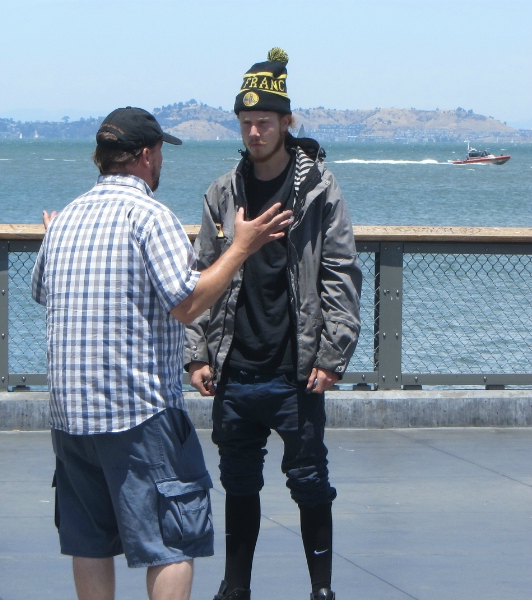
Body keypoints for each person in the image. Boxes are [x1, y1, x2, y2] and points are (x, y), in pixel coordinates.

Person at [31, 106, 293, 600]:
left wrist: (56, 238)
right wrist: (242, 247)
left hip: (69, 418)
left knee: (88, 542)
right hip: (137, 412)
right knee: (172, 539)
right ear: (148, 156)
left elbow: (44, 290)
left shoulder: (65, 220)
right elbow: (188, 301)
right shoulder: (150, 215)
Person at [185, 49, 362, 600]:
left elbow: (341, 272)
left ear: (287, 121)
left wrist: (333, 356)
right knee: (237, 485)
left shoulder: (318, 190)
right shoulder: (223, 192)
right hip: (235, 370)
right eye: (246, 122)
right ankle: (235, 590)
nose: (255, 131)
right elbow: (200, 275)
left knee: (310, 483)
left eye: (265, 120)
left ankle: (322, 591)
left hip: (297, 369)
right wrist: (197, 353)